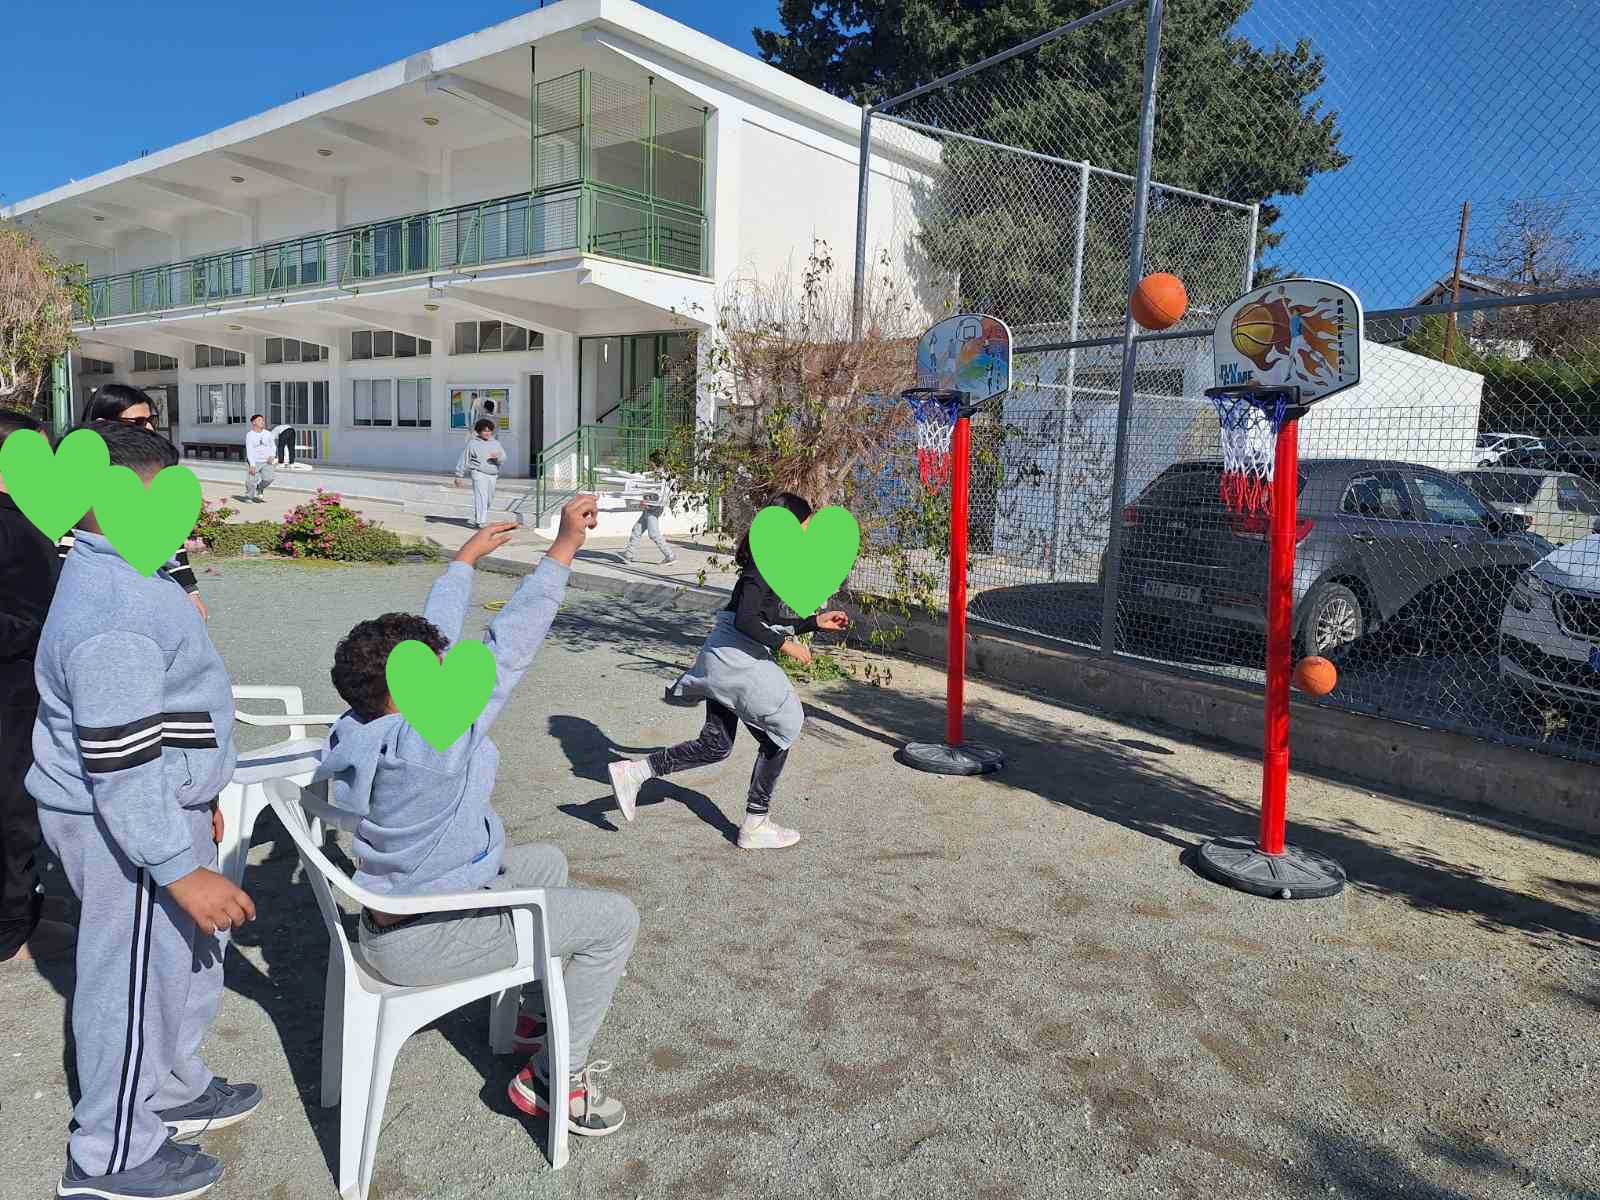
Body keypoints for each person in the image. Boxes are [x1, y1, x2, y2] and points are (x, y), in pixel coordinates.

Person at [313, 498, 639, 1138]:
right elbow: (507, 648)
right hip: (427, 937)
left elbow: (424, 647)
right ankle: (552, 1079)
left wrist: (463, 562)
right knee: (614, 922)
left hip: (402, 908)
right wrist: (563, 549)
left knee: (546, 862)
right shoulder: (430, 746)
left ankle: (532, 1015)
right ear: (408, 693)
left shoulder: (363, 723)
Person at [28, 420, 259, 1200]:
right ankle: (110, 1154)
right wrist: (177, 866)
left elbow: (170, 711)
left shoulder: (133, 569)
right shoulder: (115, 609)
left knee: (174, 966)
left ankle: (170, 1088)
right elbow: (121, 762)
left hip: (162, 804)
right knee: (127, 982)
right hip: (123, 826)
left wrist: (202, 794)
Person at [607, 492, 849, 850]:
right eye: (805, 527)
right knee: (785, 725)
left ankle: (635, 772)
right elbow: (746, 619)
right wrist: (787, 645)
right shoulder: (761, 566)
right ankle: (756, 823)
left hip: (725, 659)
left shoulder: (769, 562)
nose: (806, 535)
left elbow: (766, 617)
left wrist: (813, 622)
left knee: (716, 744)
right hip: (737, 660)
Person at [0, 410, 76, 966]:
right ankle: (11, 929)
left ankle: (21, 908)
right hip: (12, 693)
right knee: (13, 809)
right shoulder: (14, 528)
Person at [67, 385, 208, 620]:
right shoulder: (77, 474)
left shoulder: (150, 466)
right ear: (103, 423)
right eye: (138, 422)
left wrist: (190, 590)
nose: (149, 428)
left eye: (151, 420)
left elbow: (167, 532)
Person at [620, 450, 677, 566]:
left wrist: (648, 502)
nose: (649, 464)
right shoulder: (657, 474)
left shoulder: (661, 476)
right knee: (637, 529)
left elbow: (660, 493)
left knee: (653, 534)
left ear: (655, 463)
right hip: (650, 507)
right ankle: (628, 555)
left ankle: (670, 555)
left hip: (653, 508)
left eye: (651, 462)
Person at [453, 418, 505, 528]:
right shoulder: (472, 444)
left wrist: (497, 458)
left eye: (489, 431)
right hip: (478, 473)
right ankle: (481, 522)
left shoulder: (496, 443)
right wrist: (459, 475)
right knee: (481, 497)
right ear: (479, 431)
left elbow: (503, 457)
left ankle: (479, 518)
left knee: (489, 499)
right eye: (484, 431)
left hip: (493, 474)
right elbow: (464, 458)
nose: (487, 433)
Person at [243, 414, 276, 504]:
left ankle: (259, 488)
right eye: (259, 420)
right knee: (250, 481)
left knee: (269, 478)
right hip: (255, 461)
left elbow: (273, 446)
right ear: (254, 422)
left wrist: (272, 456)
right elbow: (249, 450)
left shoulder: (268, 433)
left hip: (267, 461)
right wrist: (252, 465)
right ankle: (249, 496)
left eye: (263, 420)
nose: (262, 422)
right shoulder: (250, 435)